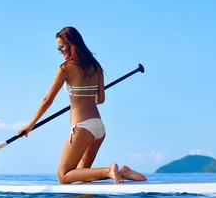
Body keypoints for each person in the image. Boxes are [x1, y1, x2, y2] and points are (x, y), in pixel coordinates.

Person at [17, 26, 147, 184]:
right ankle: (122, 172)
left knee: (63, 176)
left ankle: (108, 170)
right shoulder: (96, 66)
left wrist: (30, 125)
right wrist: (84, 94)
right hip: (99, 127)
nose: (59, 51)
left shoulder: (65, 68)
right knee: (80, 175)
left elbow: (48, 99)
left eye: (61, 47)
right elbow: (100, 100)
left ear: (72, 44)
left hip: (82, 127)